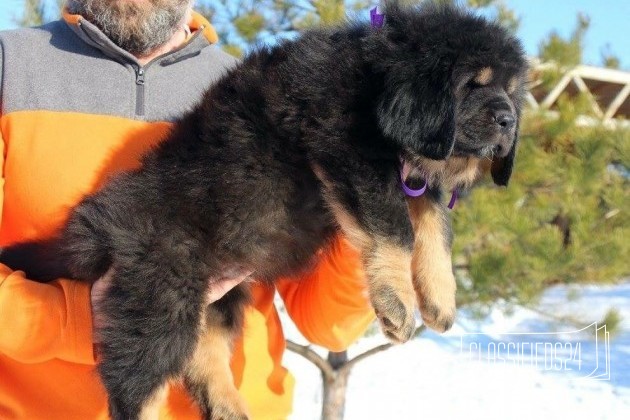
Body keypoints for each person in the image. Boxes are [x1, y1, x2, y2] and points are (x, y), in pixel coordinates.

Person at [0, 0, 375, 418]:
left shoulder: (261, 88)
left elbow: (328, 324)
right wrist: (74, 317)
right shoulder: (9, 68)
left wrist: (373, 206)